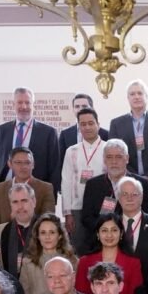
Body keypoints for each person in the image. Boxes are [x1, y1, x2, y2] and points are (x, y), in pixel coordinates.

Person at [109, 79, 148, 216]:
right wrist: (134, 178)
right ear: (128, 98)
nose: (136, 96)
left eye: (140, 93)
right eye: (132, 94)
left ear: (146, 97)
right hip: (126, 186)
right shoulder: (116, 124)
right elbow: (114, 154)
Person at [79, 139, 148, 250]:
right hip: (102, 243)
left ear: (127, 159)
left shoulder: (142, 183)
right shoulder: (93, 185)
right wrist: (108, 230)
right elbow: (86, 217)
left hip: (134, 241)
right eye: (109, 157)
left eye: (119, 157)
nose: (114, 162)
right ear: (104, 160)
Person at [0, 86, 61, 192]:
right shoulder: (2, 130)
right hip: (6, 191)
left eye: (27, 102)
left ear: (33, 105)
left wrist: (51, 196)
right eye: (20, 102)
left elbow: (54, 167)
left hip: (37, 192)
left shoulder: (48, 132)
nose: (24, 106)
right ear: (13, 105)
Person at [61, 107, 108, 252]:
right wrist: (67, 213)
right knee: (78, 249)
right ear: (79, 127)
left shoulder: (108, 149)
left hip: (102, 208)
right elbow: (66, 182)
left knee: (102, 246)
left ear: (98, 124)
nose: (87, 127)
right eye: (83, 124)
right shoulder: (72, 151)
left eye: (91, 123)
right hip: (77, 208)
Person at [75, 214, 144, 294]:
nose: (109, 235)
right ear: (98, 234)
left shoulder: (133, 263)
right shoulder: (84, 262)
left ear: (121, 233)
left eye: (114, 230)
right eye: (104, 230)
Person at [0, 147, 56, 226]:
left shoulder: (46, 188)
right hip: (3, 235)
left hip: (33, 235)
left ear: (33, 165)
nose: (23, 166)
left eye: (27, 162)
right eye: (18, 162)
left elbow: (48, 219)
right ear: (10, 164)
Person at [19, 213, 77, 294]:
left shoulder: (72, 261)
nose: (47, 237)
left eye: (52, 232)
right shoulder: (28, 263)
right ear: (38, 236)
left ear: (60, 236)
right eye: (43, 233)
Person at [0, 183, 39, 280]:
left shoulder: (47, 229)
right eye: (15, 202)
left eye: (24, 201)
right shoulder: (0, 232)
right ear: (10, 205)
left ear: (34, 202)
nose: (20, 206)